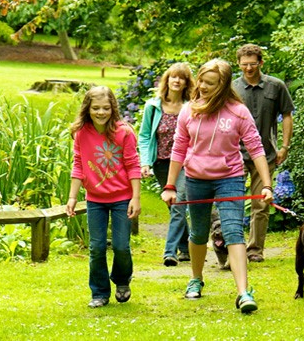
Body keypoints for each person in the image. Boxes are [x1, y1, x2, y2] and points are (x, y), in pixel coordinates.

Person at [160, 59, 274, 313]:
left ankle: (243, 292)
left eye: (209, 83)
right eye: (201, 80)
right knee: (198, 233)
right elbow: (178, 149)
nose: (201, 86)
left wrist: (267, 184)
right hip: (196, 179)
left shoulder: (238, 111)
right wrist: (170, 185)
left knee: (234, 231)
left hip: (230, 178)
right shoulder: (189, 110)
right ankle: (196, 278)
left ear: (222, 86)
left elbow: (256, 148)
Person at [65, 86, 142, 308]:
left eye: (106, 108)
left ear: (113, 108)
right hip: (95, 199)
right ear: (87, 109)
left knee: (121, 246)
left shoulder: (124, 132)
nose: (101, 112)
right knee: (97, 247)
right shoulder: (81, 133)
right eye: (96, 108)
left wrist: (135, 198)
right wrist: (72, 197)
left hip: (121, 198)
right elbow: (78, 164)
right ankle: (99, 292)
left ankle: (121, 280)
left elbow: (132, 164)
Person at [232, 44, 294, 263]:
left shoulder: (275, 86)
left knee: (261, 203)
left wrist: (284, 146)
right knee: (233, 203)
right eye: (244, 64)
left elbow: (287, 115)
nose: (248, 68)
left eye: (253, 64)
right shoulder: (231, 88)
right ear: (238, 64)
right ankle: (233, 247)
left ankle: (255, 249)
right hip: (234, 155)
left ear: (261, 63)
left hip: (266, 154)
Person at [137, 62, 195, 266]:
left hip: (185, 163)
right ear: (167, 80)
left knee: (178, 202)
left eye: (182, 78)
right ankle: (185, 248)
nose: (177, 81)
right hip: (161, 163)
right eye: (173, 77)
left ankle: (169, 252)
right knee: (174, 205)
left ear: (187, 83)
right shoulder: (153, 106)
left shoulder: (192, 106)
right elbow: (144, 136)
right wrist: (145, 162)